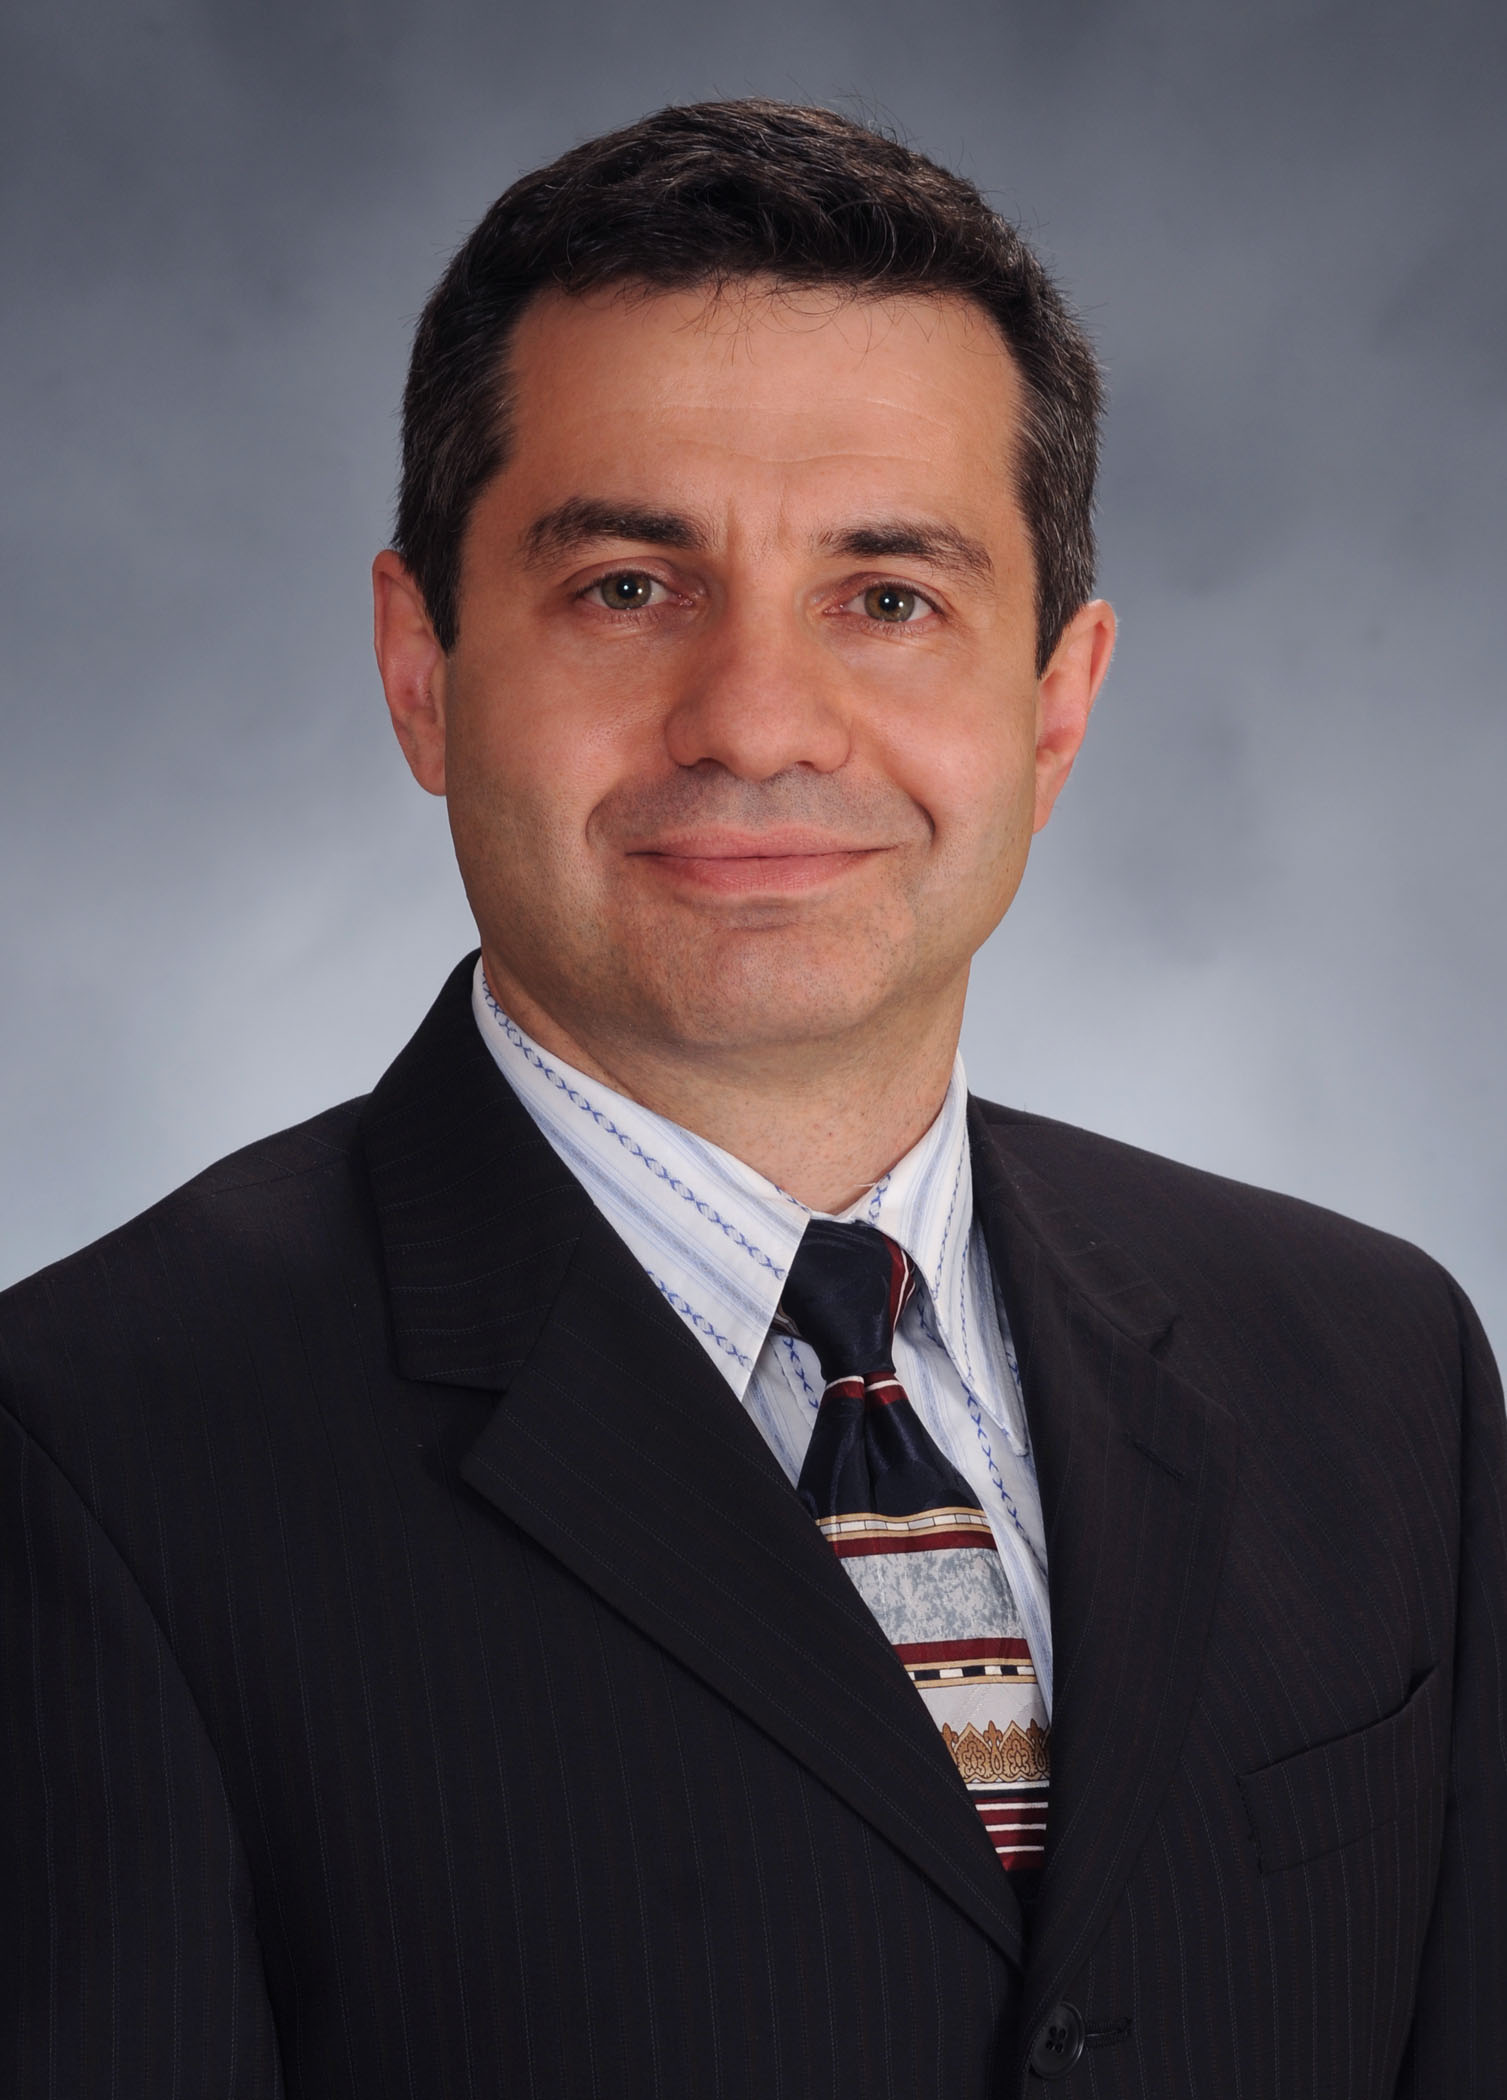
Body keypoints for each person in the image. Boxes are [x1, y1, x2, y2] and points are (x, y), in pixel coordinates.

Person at [2, 99, 1502, 2100]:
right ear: (422, 671)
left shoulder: (1380, 1370)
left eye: (887, 597)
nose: (758, 723)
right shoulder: (84, 1454)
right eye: (631, 586)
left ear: (1054, 709)